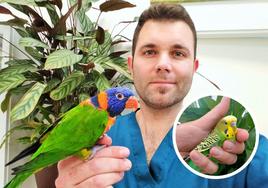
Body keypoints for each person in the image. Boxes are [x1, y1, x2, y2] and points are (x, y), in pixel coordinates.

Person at [40, 3, 268, 188]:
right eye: (150, 52)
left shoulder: (247, 149)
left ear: (194, 67)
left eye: (178, 53)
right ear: (131, 65)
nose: (163, 64)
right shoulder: (97, 136)